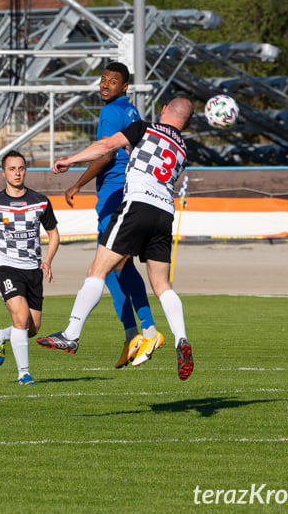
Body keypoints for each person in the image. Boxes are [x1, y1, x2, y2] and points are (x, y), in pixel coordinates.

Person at [36, 98, 195, 380]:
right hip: (164, 215)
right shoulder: (183, 149)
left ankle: (71, 334)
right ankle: (181, 339)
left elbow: (106, 146)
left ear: (165, 109)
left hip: (137, 206)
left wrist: (70, 160)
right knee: (161, 284)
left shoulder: (143, 128)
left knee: (98, 269)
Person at [63, 62, 159, 369]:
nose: (105, 84)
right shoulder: (131, 113)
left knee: (110, 265)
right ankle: (134, 332)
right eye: (103, 79)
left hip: (114, 196)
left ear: (124, 87)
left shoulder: (110, 114)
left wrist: (77, 182)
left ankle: (146, 329)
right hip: (128, 192)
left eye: (113, 81)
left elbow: (106, 154)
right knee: (113, 267)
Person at [0, 150, 60, 385]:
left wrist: (47, 260)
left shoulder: (40, 201)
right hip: (6, 267)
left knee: (32, 328)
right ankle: (24, 374)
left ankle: (0, 336)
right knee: (20, 318)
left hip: (33, 269)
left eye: (21, 168)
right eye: (12, 169)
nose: (17, 173)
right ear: (3, 173)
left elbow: (53, 234)